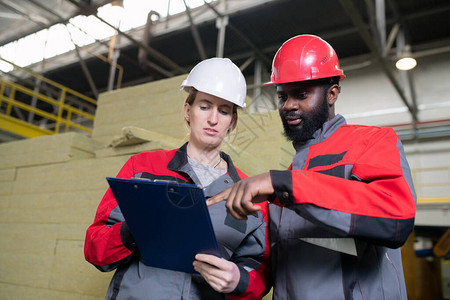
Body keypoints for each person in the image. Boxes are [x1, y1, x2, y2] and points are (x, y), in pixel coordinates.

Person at [208, 35, 416, 299]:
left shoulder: (371, 143)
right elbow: (277, 267)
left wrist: (284, 184)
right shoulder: (286, 181)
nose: (289, 106)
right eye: (282, 97)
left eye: (302, 94)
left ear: (332, 93)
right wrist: (238, 279)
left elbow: (396, 218)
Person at [84, 57, 270, 300]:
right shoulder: (141, 168)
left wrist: (238, 279)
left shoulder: (251, 193)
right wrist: (133, 230)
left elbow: (261, 271)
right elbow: (95, 248)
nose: (213, 119)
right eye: (204, 106)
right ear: (187, 111)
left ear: (232, 122)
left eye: (223, 111)